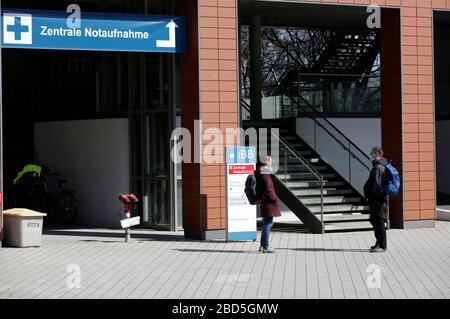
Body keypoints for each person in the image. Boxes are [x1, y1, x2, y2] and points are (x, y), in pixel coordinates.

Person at [364, 146, 389, 253]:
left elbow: (376, 185)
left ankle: (382, 245)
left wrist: (371, 195)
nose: (371, 156)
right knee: (374, 220)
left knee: (378, 221)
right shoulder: (377, 166)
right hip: (375, 198)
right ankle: (379, 242)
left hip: (376, 198)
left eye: (372, 154)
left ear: (378, 154)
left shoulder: (379, 167)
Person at [254, 156, 281, 253]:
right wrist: (273, 198)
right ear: (266, 162)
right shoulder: (264, 174)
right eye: (270, 161)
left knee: (267, 223)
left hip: (265, 202)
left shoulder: (260, 173)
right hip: (269, 203)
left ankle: (262, 245)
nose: (270, 164)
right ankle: (265, 246)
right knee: (268, 224)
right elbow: (268, 188)